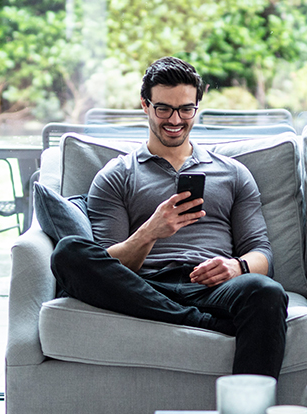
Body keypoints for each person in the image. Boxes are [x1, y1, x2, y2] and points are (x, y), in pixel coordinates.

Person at [50, 56, 287, 377]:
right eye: (163, 109)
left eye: (185, 109)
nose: (175, 119)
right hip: (143, 287)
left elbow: (263, 254)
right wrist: (150, 231)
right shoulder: (116, 175)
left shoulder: (233, 174)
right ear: (145, 106)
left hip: (211, 289)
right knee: (68, 253)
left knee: (267, 292)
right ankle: (198, 322)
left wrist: (237, 266)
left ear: (197, 108)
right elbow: (112, 267)